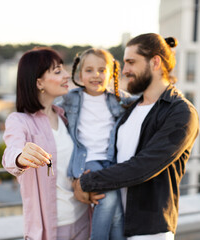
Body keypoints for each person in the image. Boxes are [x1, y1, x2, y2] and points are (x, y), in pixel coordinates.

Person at [73, 33, 200, 239]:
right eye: (124, 63)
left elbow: (142, 166)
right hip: (118, 223)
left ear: (155, 62)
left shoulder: (181, 113)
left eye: (131, 62)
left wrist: (86, 182)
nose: (125, 71)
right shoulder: (129, 108)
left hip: (149, 230)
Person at [2, 47, 90, 240]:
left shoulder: (65, 116)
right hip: (50, 229)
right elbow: (11, 153)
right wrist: (20, 158)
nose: (67, 75)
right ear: (39, 82)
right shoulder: (19, 121)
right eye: (58, 71)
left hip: (84, 219)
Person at [60, 48, 132, 240]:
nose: (96, 75)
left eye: (102, 70)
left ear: (111, 74)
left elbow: (143, 103)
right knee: (108, 201)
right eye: (89, 70)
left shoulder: (118, 98)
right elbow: (47, 106)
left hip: (111, 161)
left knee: (117, 214)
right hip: (87, 162)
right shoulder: (71, 98)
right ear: (80, 74)